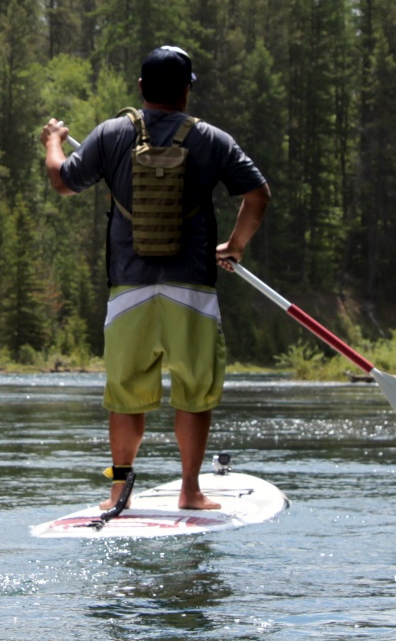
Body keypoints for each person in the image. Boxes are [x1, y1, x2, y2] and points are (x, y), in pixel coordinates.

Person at [40, 45, 270, 510]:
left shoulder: (110, 134)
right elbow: (258, 194)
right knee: (194, 391)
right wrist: (235, 245)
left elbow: (62, 181)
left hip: (130, 286)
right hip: (192, 286)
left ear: (141, 88)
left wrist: (53, 140)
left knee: (125, 396)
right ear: (186, 91)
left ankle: (118, 491)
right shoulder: (212, 139)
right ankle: (190, 490)